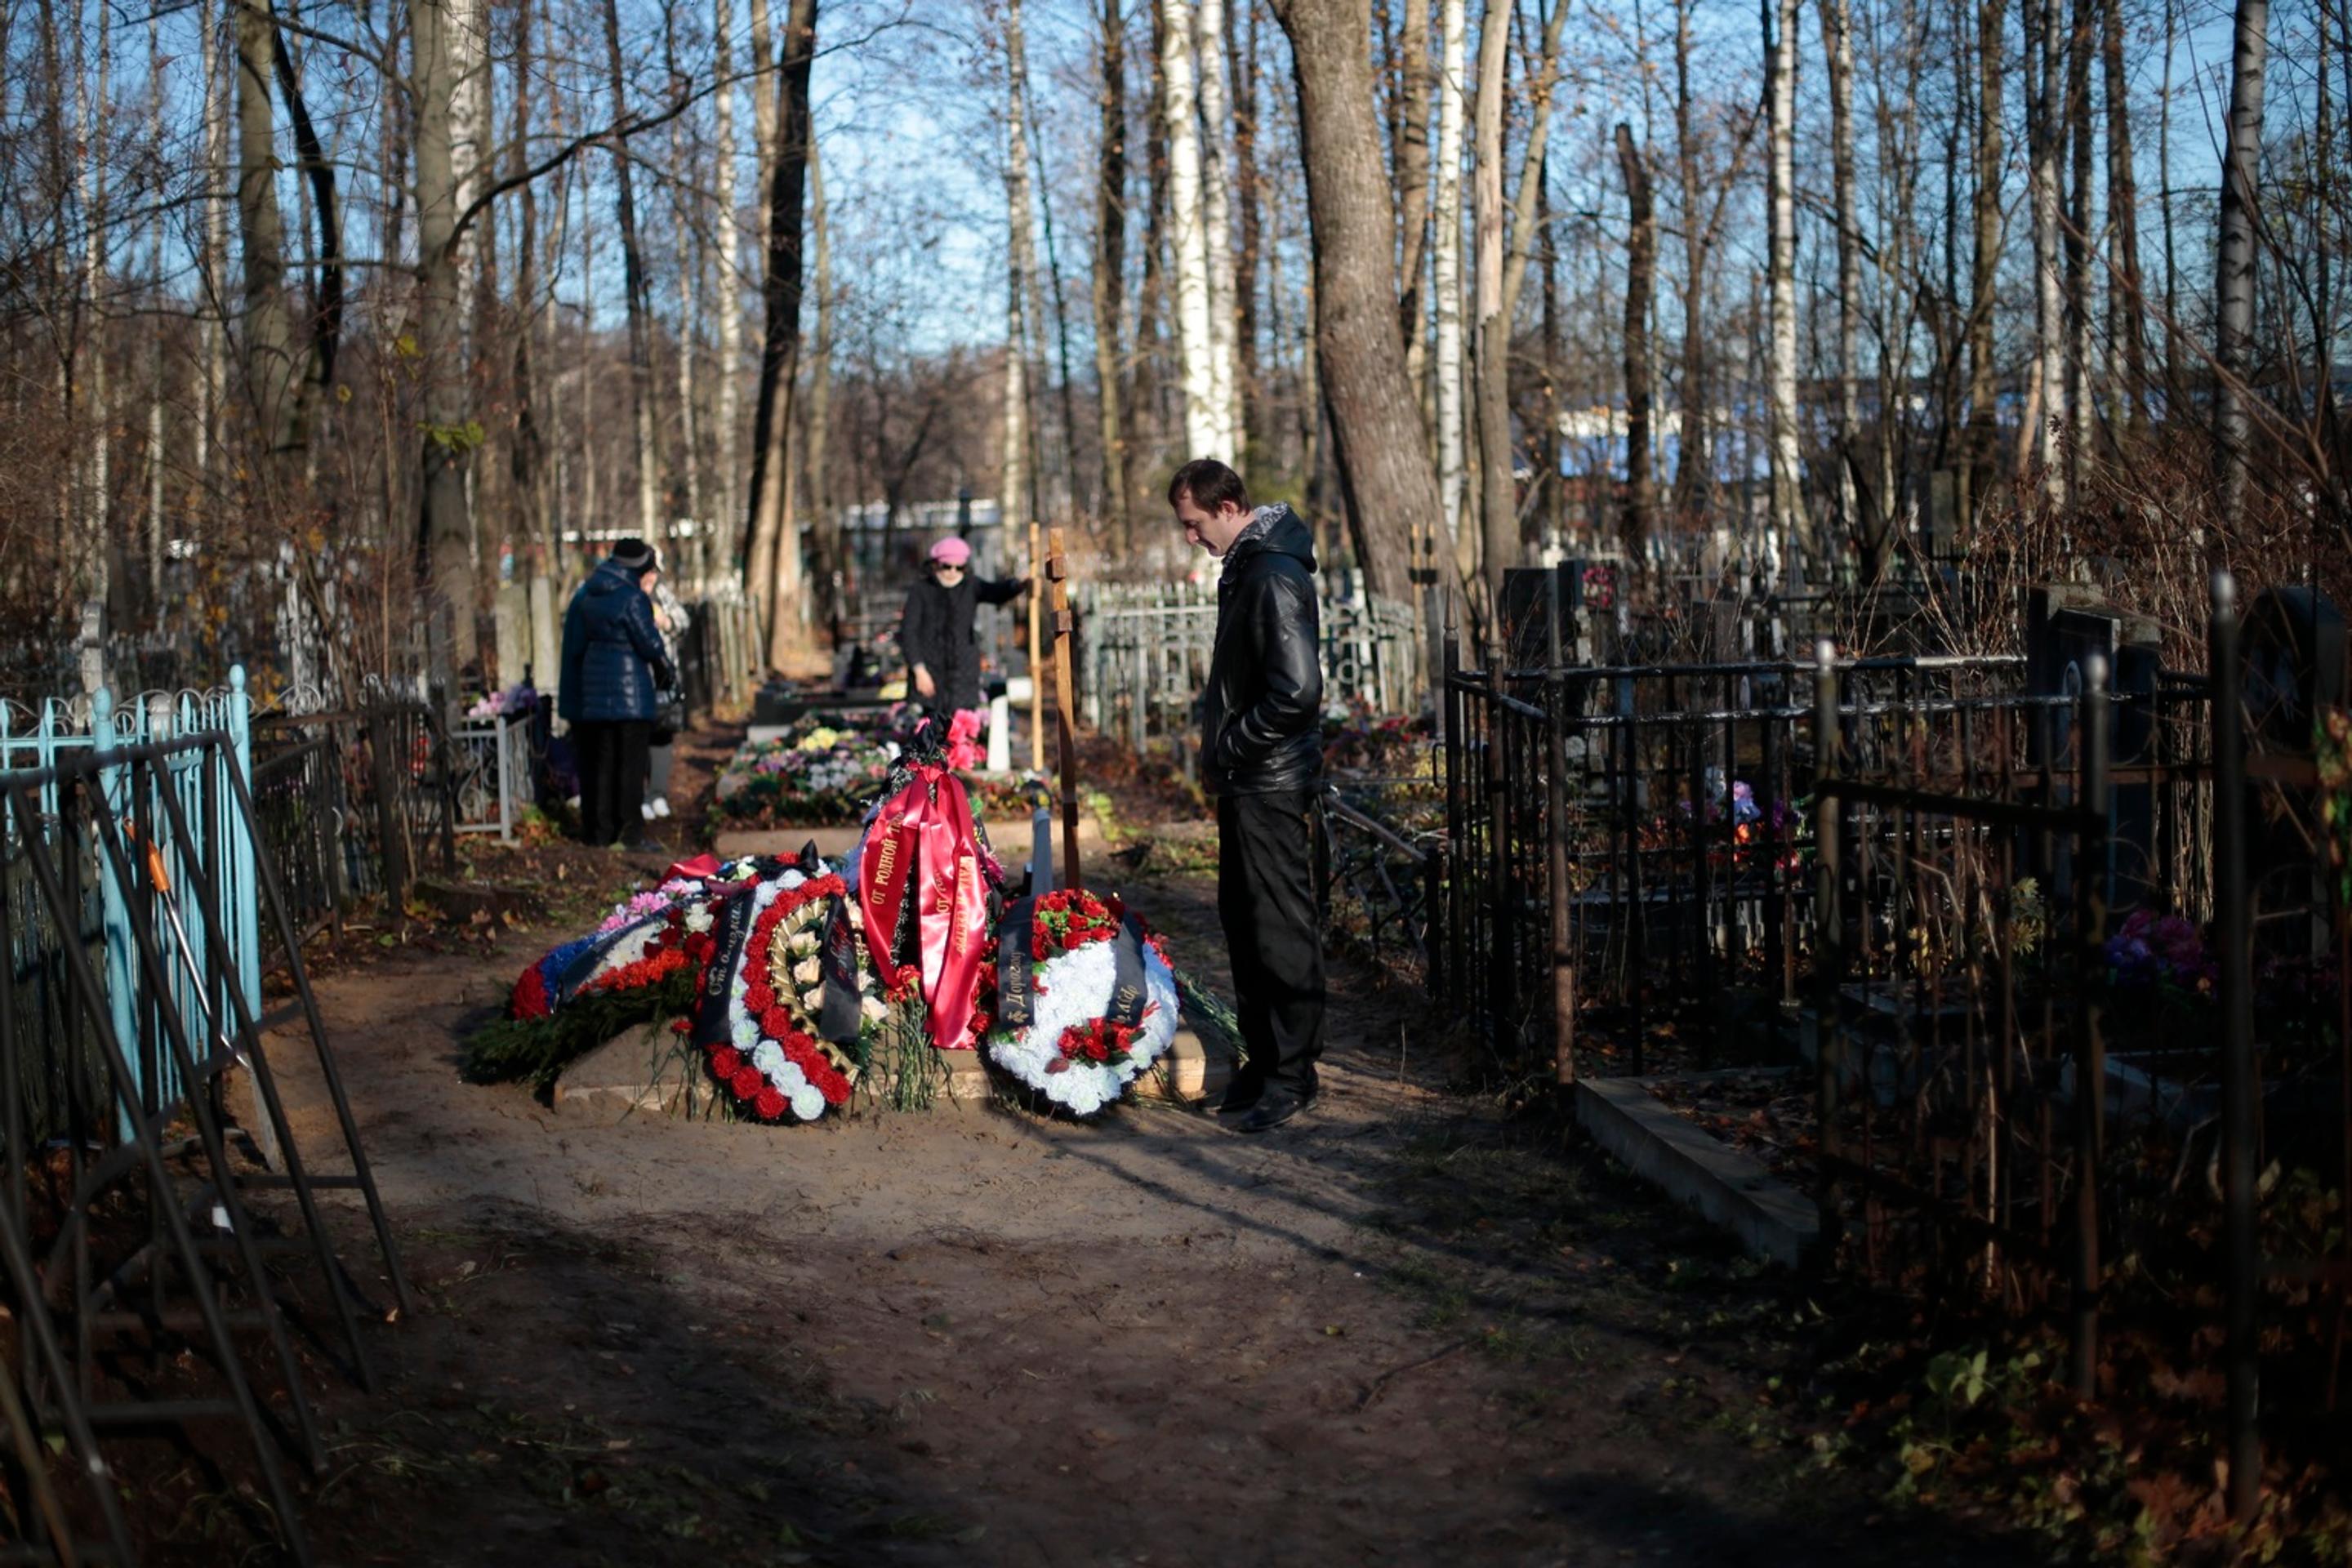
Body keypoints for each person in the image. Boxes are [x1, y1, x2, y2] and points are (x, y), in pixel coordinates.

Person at [1169, 458, 1326, 1134]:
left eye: (1194, 524)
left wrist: (1232, 747)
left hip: (1269, 781)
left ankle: (1293, 1076)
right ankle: (1265, 1064)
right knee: (1244, 923)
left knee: (1279, 930)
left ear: (1228, 506)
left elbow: (1296, 692)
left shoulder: (1273, 575)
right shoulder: (1250, 568)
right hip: (1249, 782)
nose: (1190, 538)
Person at [559, 537, 675, 851]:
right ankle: (630, 834)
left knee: (602, 765)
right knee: (631, 767)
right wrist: (664, 667)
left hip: (595, 694)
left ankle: (599, 832)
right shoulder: (632, 597)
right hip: (630, 694)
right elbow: (649, 642)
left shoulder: (589, 594)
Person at [897, 536, 1029, 725]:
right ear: (936, 565)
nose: (952, 572)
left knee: (961, 730)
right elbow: (909, 631)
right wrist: (919, 670)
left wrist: (1018, 585)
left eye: (959, 567)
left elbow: (996, 592)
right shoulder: (920, 590)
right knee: (928, 733)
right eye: (947, 566)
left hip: (963, 673)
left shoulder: (971, 585)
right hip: (929, 673)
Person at [644, 572, 692, 822]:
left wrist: (666, 622)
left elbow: (684, 621)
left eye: (655, 572)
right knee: (639, 737)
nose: (651, 577)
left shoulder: (662, 594)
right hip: (640, 679)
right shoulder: (629, 595)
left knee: (662, 735)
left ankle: (657, 793)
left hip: (664, 681)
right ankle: (643, 796)